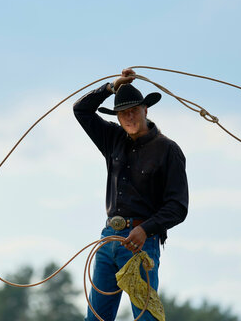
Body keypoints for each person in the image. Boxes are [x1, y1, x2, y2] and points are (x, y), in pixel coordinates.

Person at [73, 68, 189, 321]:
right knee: (95, 319)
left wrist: (146, 229)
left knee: (145, 318)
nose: (129, 117)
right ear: (118, 117)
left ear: (145, 110)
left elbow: (178, 206)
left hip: (141, 243)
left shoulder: (168, 150)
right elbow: (80, 110)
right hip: (108, 239)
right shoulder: (112, 138)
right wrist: (110, 88)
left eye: (134, 110)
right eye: (123, 114)